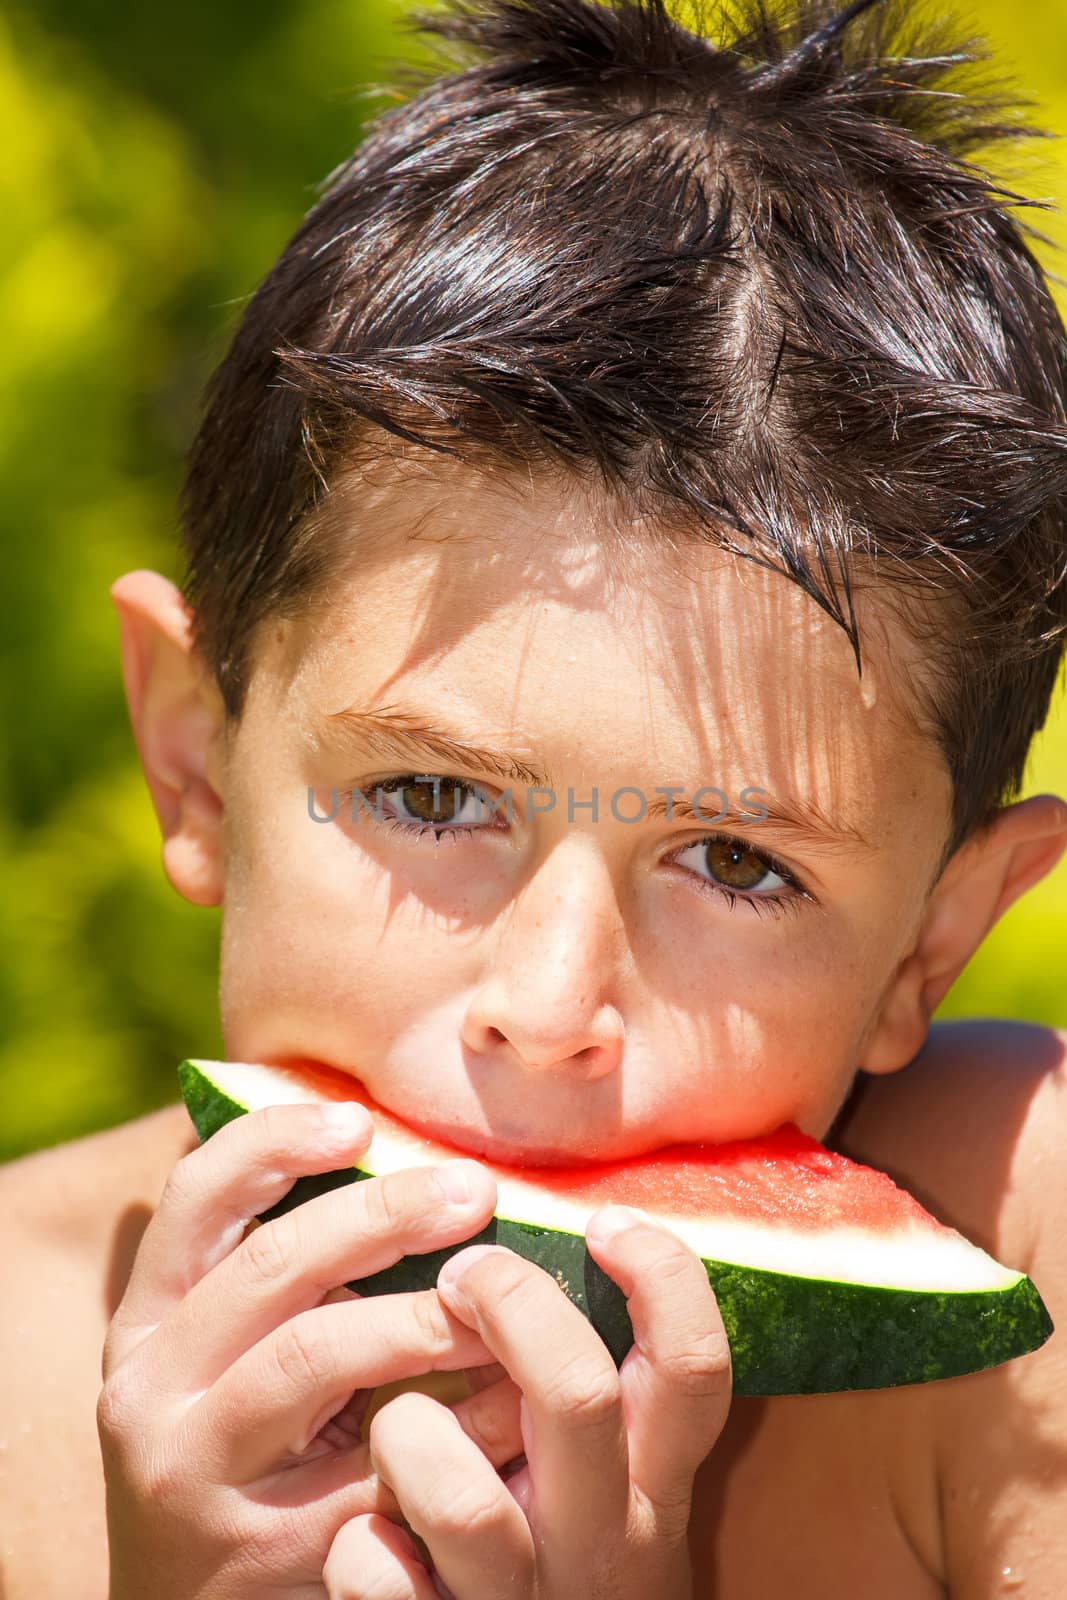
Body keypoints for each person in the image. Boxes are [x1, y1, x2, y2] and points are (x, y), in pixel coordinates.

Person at [3, 0, 1067, 1593]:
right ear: (195, 763)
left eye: (734, 858)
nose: (549, 1003)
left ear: (936, 936)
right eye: (431, 796)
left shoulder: (1020, 1260)